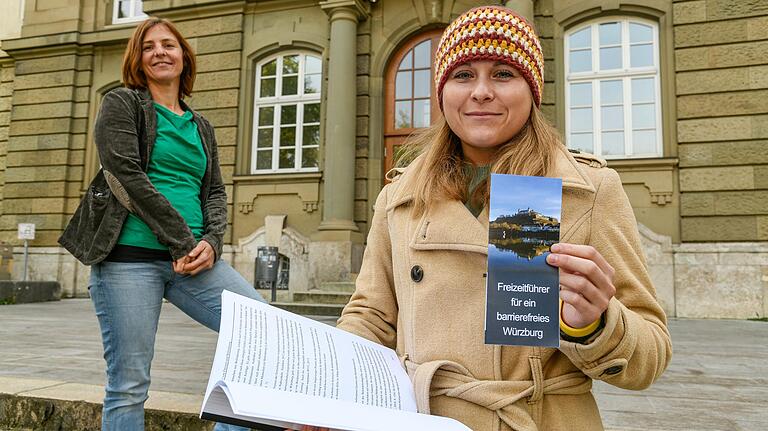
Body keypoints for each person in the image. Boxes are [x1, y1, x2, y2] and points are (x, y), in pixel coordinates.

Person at [333, 6, 672, 431]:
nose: (480, 91)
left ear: (533, 90)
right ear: (442, 93)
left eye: (503, 74)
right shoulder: (398, 197)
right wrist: (331, 384)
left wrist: (593, 323)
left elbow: (650, 356)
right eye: (463, 75)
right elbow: (370, 317)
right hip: (420, 419)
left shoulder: (588, 191)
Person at [58, 17, 263, 431]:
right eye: (148, 46)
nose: (159, 52)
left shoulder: (200, 125)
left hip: (194, 260)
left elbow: (215, 193)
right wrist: (183, 241)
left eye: (168, 45)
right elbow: (126, 176)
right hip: (127, 261)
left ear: (184, 57)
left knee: (261, 332)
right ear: (138, 59)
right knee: (129, 385)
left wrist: (211, 242)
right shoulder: (123, 103)